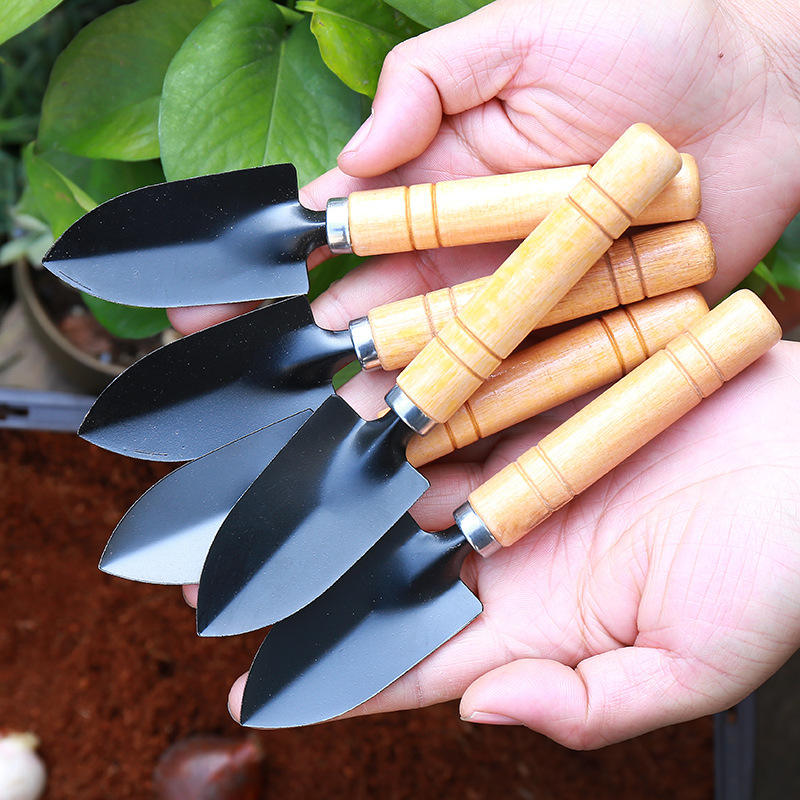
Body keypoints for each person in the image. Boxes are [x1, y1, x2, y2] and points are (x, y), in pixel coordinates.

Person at [173, 0, 800, 749]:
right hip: (495, 370)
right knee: (659, 284)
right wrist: (767, 51)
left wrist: (771, 62)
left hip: (474, 411)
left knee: (663, 290)